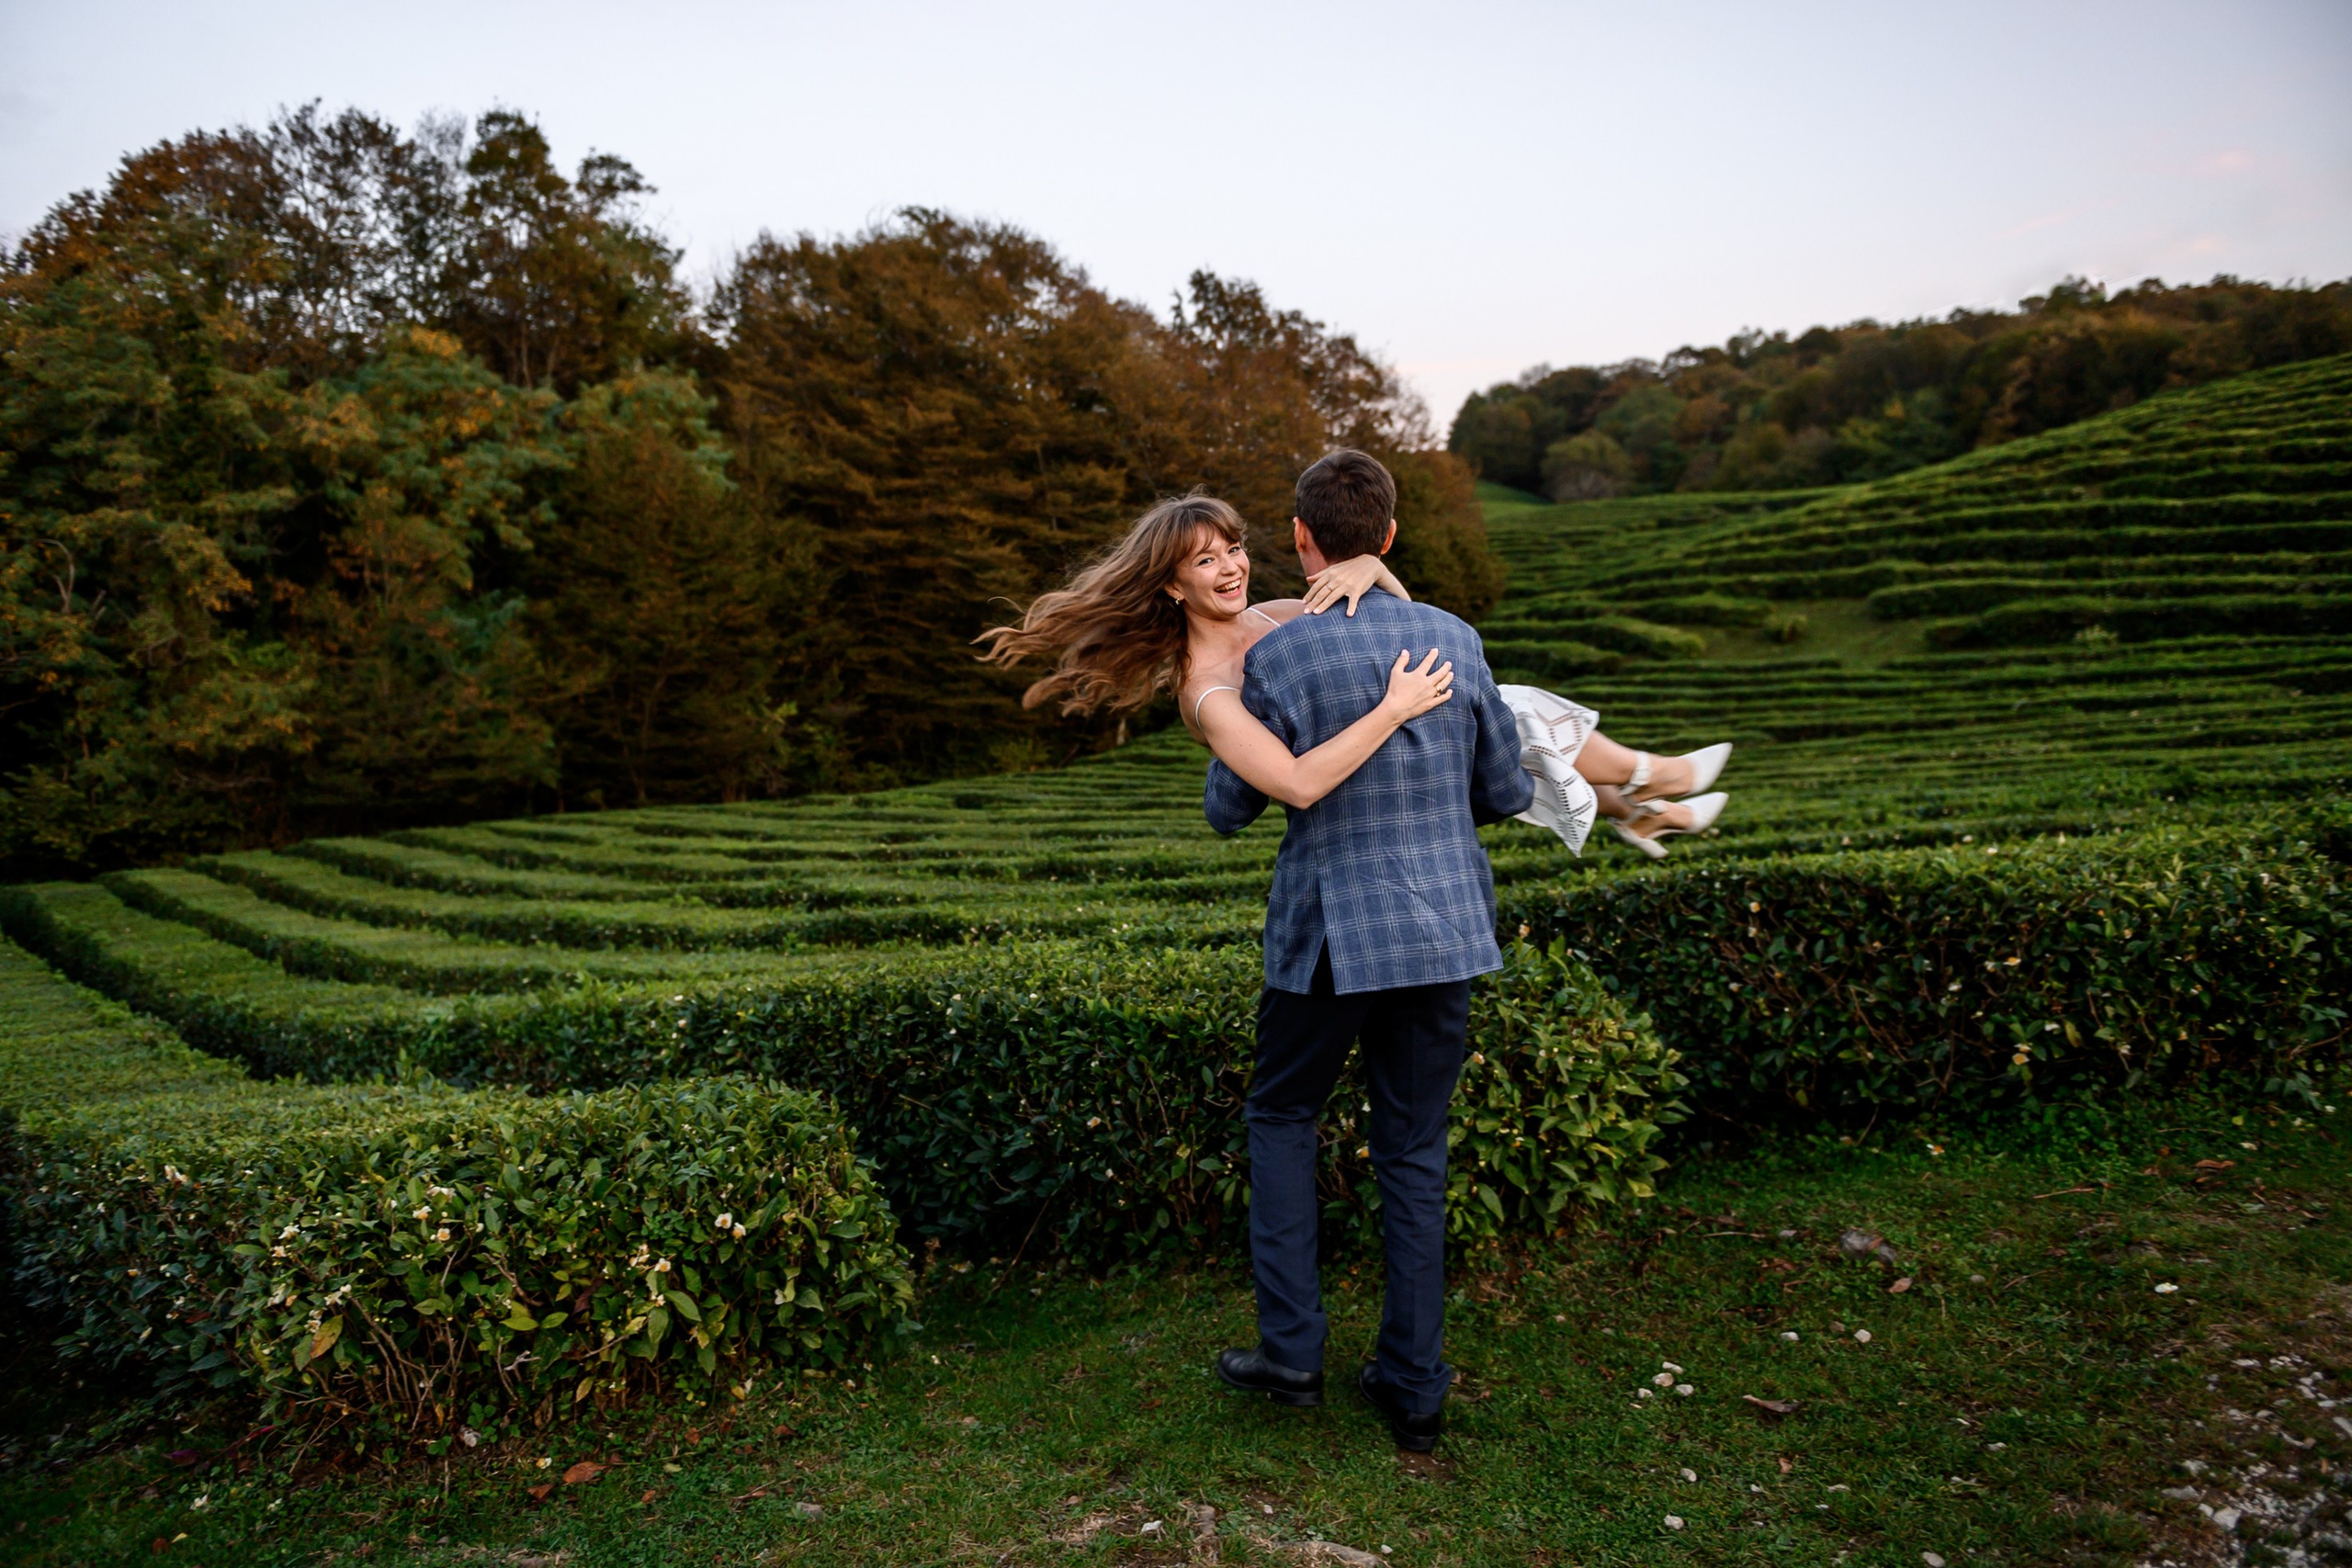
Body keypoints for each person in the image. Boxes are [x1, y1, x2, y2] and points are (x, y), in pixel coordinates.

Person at [977, 491, 1731, 855]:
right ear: (1173, 584)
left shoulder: (1272, 613)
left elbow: (1393, 614)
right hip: (1362, 775)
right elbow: (1295, 782)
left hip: (1402, 745)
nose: (1231, 566)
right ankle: (1651, 780)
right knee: (1503, 705)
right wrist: (1396, 707)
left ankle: (1641, 803)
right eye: (1205, 560)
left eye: (1232, 547)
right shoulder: (1204, 690)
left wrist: (1369, 563)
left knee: (1497, 706)